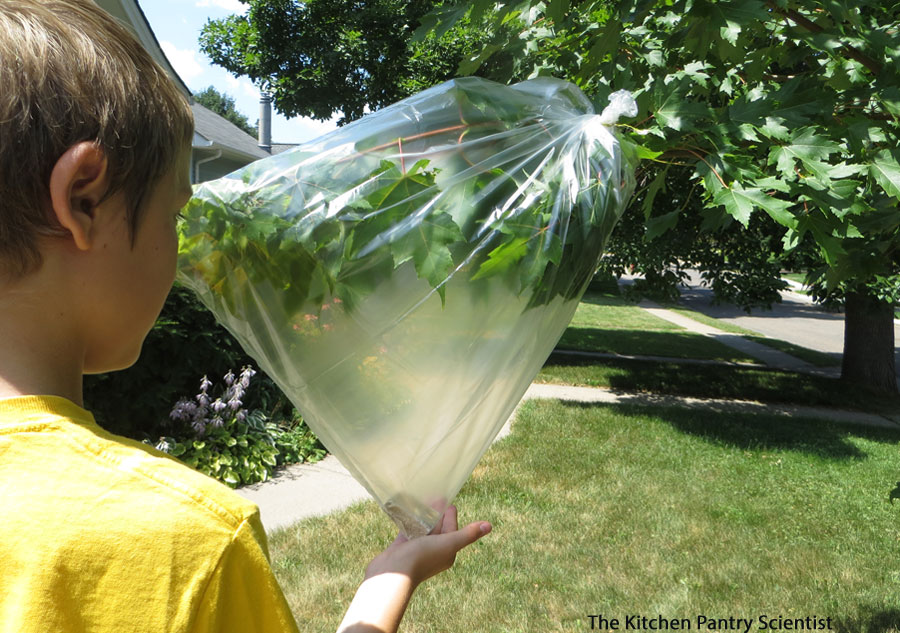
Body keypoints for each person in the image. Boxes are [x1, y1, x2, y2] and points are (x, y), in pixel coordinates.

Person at [0, 1, 492, 632]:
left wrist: (386, 579)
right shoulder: (182, 547)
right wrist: (389, 589)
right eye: (175, 216)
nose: (181, 254)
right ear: (84, 199)